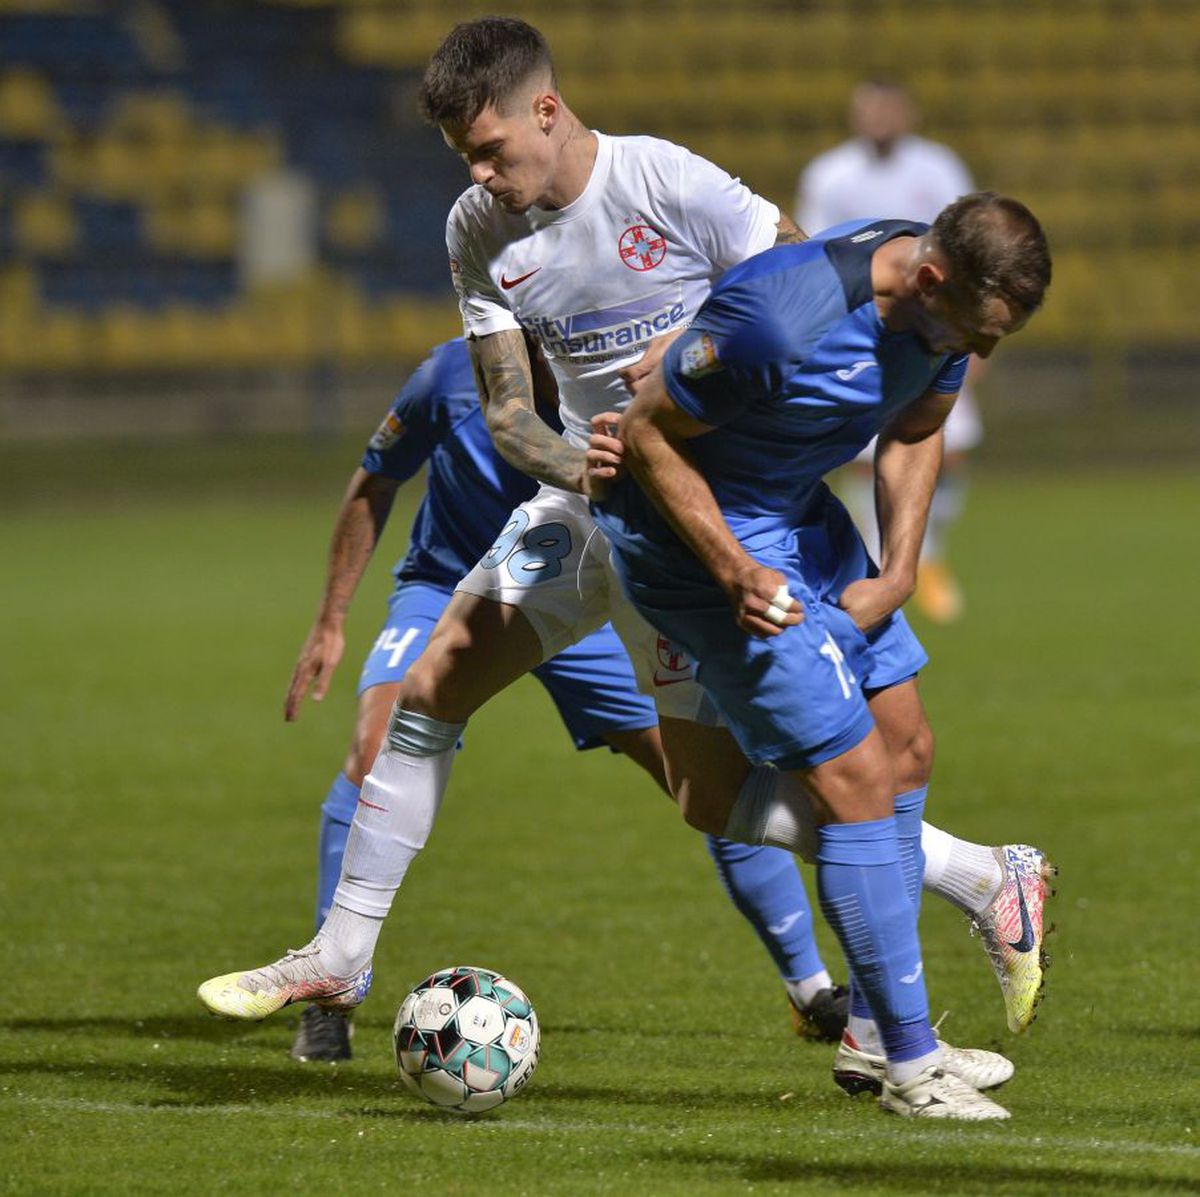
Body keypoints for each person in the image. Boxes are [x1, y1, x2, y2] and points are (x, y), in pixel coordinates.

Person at [198, 21, 1052, 1100]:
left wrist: (686, 364)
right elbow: (508, 409)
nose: (479, 172)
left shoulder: (666, 182)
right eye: (465, 153)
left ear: (547, 112)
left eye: (491, 146)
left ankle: (938, 945)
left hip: (709, 512)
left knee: (737, 784)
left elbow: (790, 281)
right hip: (594, 498)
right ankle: (341, 953)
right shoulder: (477, 229)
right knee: (433, 689)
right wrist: (581, 457)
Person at [592, 193, 1053, 1119]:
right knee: (853, 787)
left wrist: (899, 571)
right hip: (703, 543)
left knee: (907, 746)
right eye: (978, 330)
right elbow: (643, 435)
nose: (984, 351)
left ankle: (882, 1030)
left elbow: (916, 428)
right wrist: (731, 569)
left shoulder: (946, 312)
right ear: (929, 279)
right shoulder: (779, 320)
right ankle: (915, 1070)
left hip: (799, 512)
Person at [285, 335, 847, 1061]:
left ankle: (811, 990)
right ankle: (332, 994)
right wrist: (331, 618)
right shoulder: (448, 377)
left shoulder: (622, 378)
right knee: (378, 741)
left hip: (582, 592)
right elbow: (374, 479)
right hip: (447, 586)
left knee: (705, 774)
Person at [796, 78, 982, 622]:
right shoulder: (829, 173)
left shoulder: (939, 167)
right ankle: (882, 561)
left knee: (950, 448)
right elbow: (812, 247)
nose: (877, 117)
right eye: (867, 108)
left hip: (940, 330)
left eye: (887, 107)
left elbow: (970, 245)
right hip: (861, 330)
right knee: (863, 457)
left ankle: (929, 556)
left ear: (907, 111)